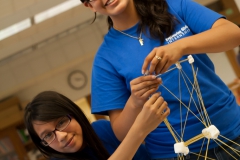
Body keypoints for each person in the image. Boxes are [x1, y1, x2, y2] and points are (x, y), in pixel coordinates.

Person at [81, 0, 240, 159]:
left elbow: (234, 34)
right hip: (175, 153)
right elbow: (121, 133)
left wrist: (180, 46)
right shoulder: (105, 59)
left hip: (234, 128)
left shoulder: (175, 7)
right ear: (89, 6)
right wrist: (135, 102)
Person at [24, 87, 169, 159]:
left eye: (61, 122)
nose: (61, 136)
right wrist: (139, 130)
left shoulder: (102, 129)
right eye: (48, 135)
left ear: (74, 114)